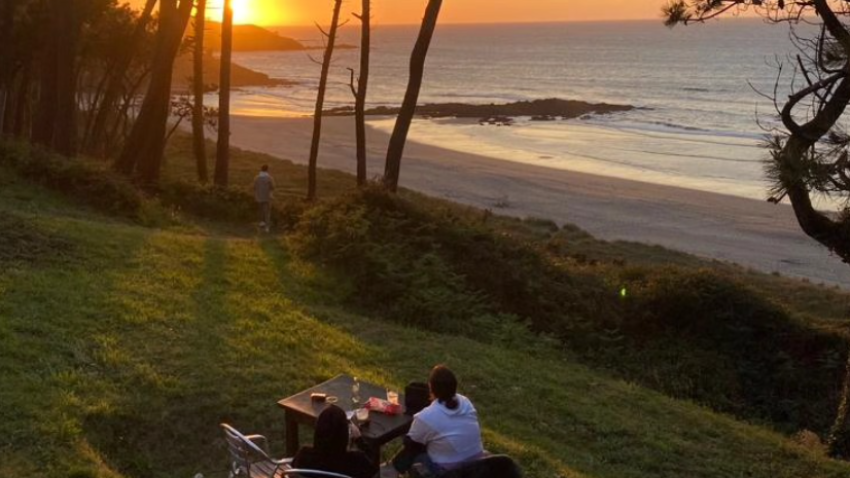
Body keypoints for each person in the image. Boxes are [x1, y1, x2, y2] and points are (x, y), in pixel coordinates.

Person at [382, 365, 484, 478]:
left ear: (430, 387)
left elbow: (409, 444)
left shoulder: (426, 416)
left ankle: (388, 472)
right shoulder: (465, 402)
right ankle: (390, 470)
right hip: (478, 464)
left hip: (451, 472)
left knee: (412, 451)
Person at [292, 404, 377, 478]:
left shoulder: (304, 456)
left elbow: (292, 470)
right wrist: (359, 440)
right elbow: (372, 468)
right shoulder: (356, 462)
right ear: (344, 434)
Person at [253, 165, 275, 232]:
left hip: (259, 197)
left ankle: (261, 226)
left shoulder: (256, 178)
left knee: (260, 212)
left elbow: (254, 187)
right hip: (267, 197)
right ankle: (267, 227)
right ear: (267, 170)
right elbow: (273, 187)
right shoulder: (269, 178)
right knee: (267, 212)